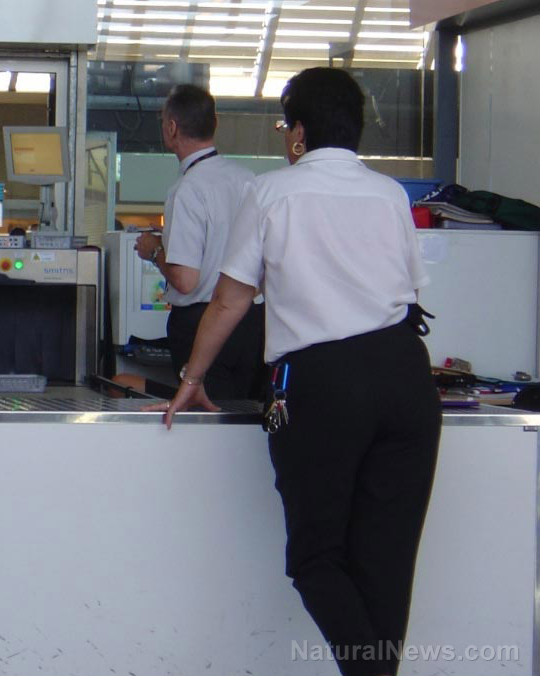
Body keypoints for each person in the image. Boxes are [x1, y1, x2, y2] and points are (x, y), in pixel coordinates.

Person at [160, 68, 441, 676]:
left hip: (322, 382)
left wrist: (192, 379)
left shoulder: (274, 193)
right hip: (406, 378)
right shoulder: (391, 195)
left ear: (299, 132)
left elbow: (230, 301)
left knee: (316, 557)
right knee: (387, 563)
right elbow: (411, 293)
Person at [135, 84, 262, 400]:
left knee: (204, 416)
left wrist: (154, 250)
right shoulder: (248, 179)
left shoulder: (188, 189)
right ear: (213, 125)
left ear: (172, 128)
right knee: (243, 415)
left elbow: (185, 280)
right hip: (251, 322)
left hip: (202, 324)